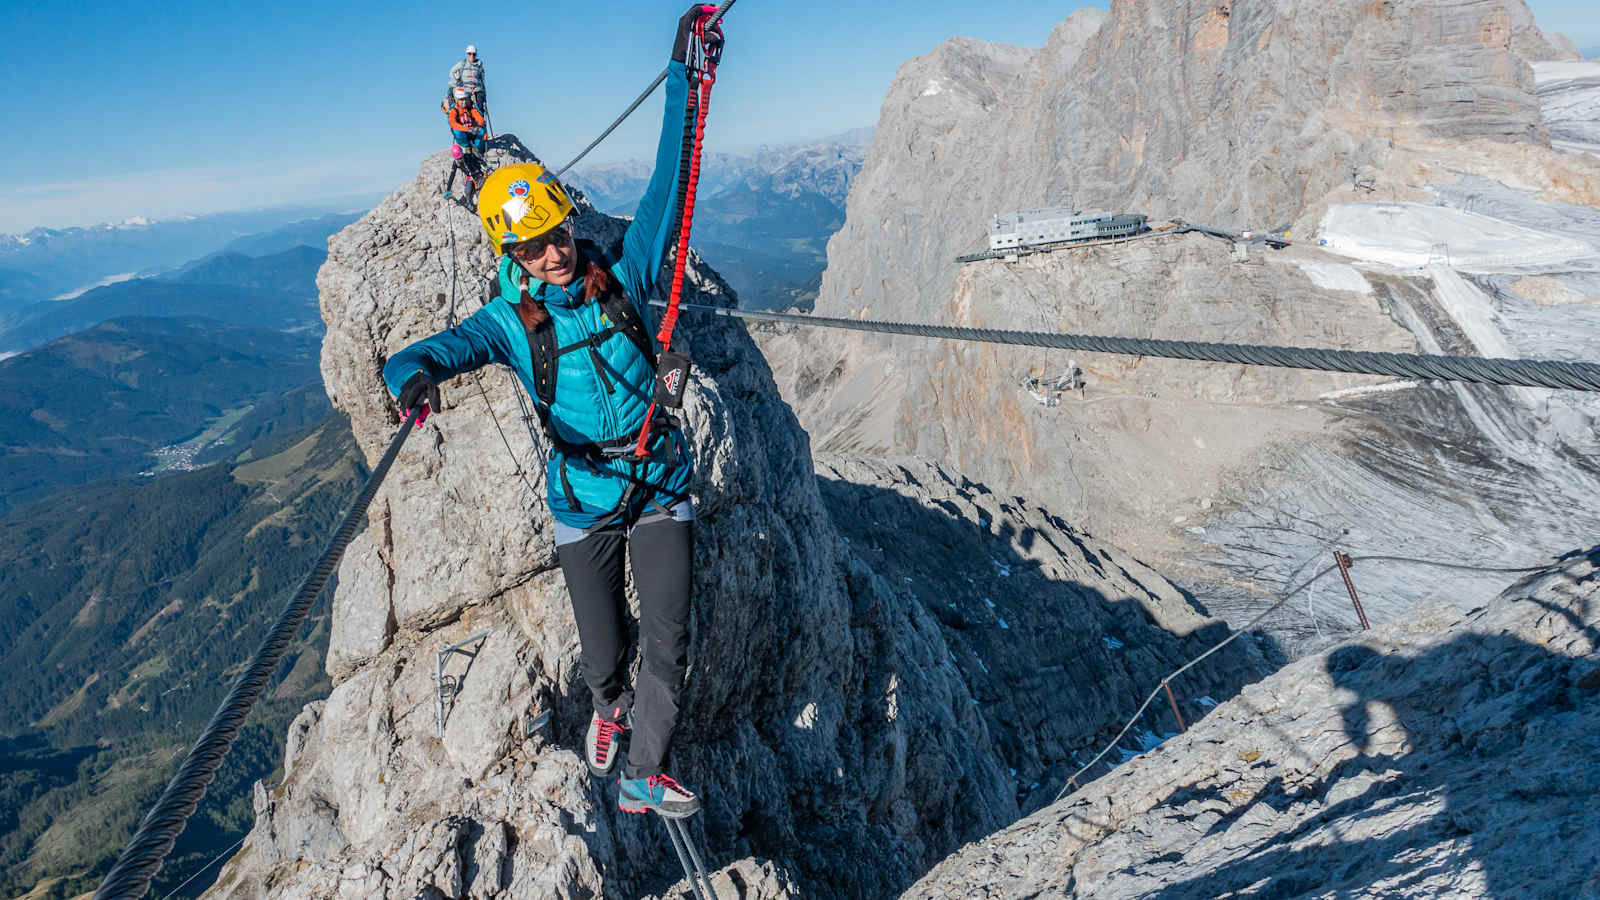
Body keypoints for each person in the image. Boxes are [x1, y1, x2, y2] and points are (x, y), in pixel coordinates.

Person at [385, 5, 719, 819]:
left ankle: (644, 767)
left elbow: (668, 182)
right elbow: (435, 350)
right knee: (607, 654)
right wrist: (410, 377)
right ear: (512, 255)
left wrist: (685, 72)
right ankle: (608, 710)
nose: (555, 252)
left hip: (657, 480)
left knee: (670, 641)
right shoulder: (509, 322)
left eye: (557, 235)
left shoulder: (625, 270)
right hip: (581, 498)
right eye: (533, 246)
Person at [443, 87, 486, 155]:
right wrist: (467, 129)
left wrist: (478, 127)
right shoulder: (454, 111)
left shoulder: (471, 109)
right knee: (457, 131)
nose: (464, 102)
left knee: (482, 131)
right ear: (457, 100)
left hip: (473, 132)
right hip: (464, 133)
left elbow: (480, 119)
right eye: (461, 100)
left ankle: (477, 149)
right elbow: (453, 123)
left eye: (465, 99)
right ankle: (467, 147)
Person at [447, 44, 486, 115]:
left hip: (476, 90)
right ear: (467, 54)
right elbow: (452, 72)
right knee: (466, 106)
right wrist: (457, 81)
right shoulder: (462, 64)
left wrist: (484, 96)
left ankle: (480, 122)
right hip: (465, 89)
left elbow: (482, 80)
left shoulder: (479, 66)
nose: (471, 56)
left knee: (480, 107)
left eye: (474, 54)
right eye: (469, 54)